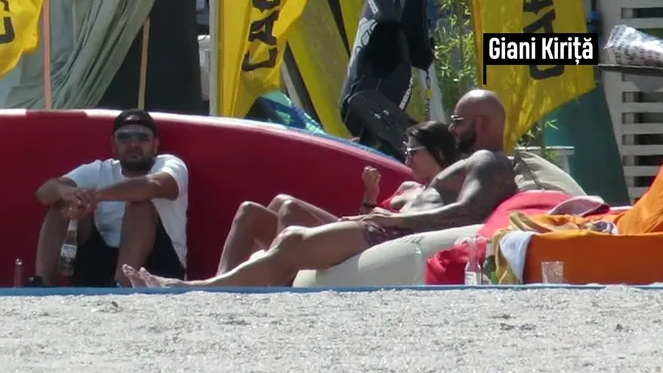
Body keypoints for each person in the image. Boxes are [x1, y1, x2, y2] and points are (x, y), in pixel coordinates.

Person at [124, 90, 518, 288]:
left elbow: (470, 212)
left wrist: (396, 220)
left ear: (482, 124)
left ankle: (198, 288)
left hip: (395, 233)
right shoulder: (472, 164)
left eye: (457, 121)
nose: (451, 129)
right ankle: (207, 288)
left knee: (292, 236)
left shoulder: (489, 160)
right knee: (290, 235)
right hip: (389, 229)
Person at [213, 120, 461, 275]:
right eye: (405, 151)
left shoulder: (445, 195)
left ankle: (283, 277)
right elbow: (367, 221)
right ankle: (222, 282)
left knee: (289, 207)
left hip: (369, 245)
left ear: (438, 153)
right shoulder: (407, 187)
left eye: (413, 152)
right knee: (252, 210)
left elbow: (379, 232)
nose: (406, 159)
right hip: (358, 234)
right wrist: (371, 194)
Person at [27, 109, 189, 287]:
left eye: (142, 137)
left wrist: (94, 197)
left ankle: (122, 286)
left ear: (155, 145)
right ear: (113, 144)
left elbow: (152, 186)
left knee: (140, 205)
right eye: (124, 138)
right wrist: (67, 192)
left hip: (158, 267)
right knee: (61, 204)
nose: (133, 143)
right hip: (102, 263)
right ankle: (42, 286)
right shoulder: (99, 169)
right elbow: (44, 193)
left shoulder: (170, 164)